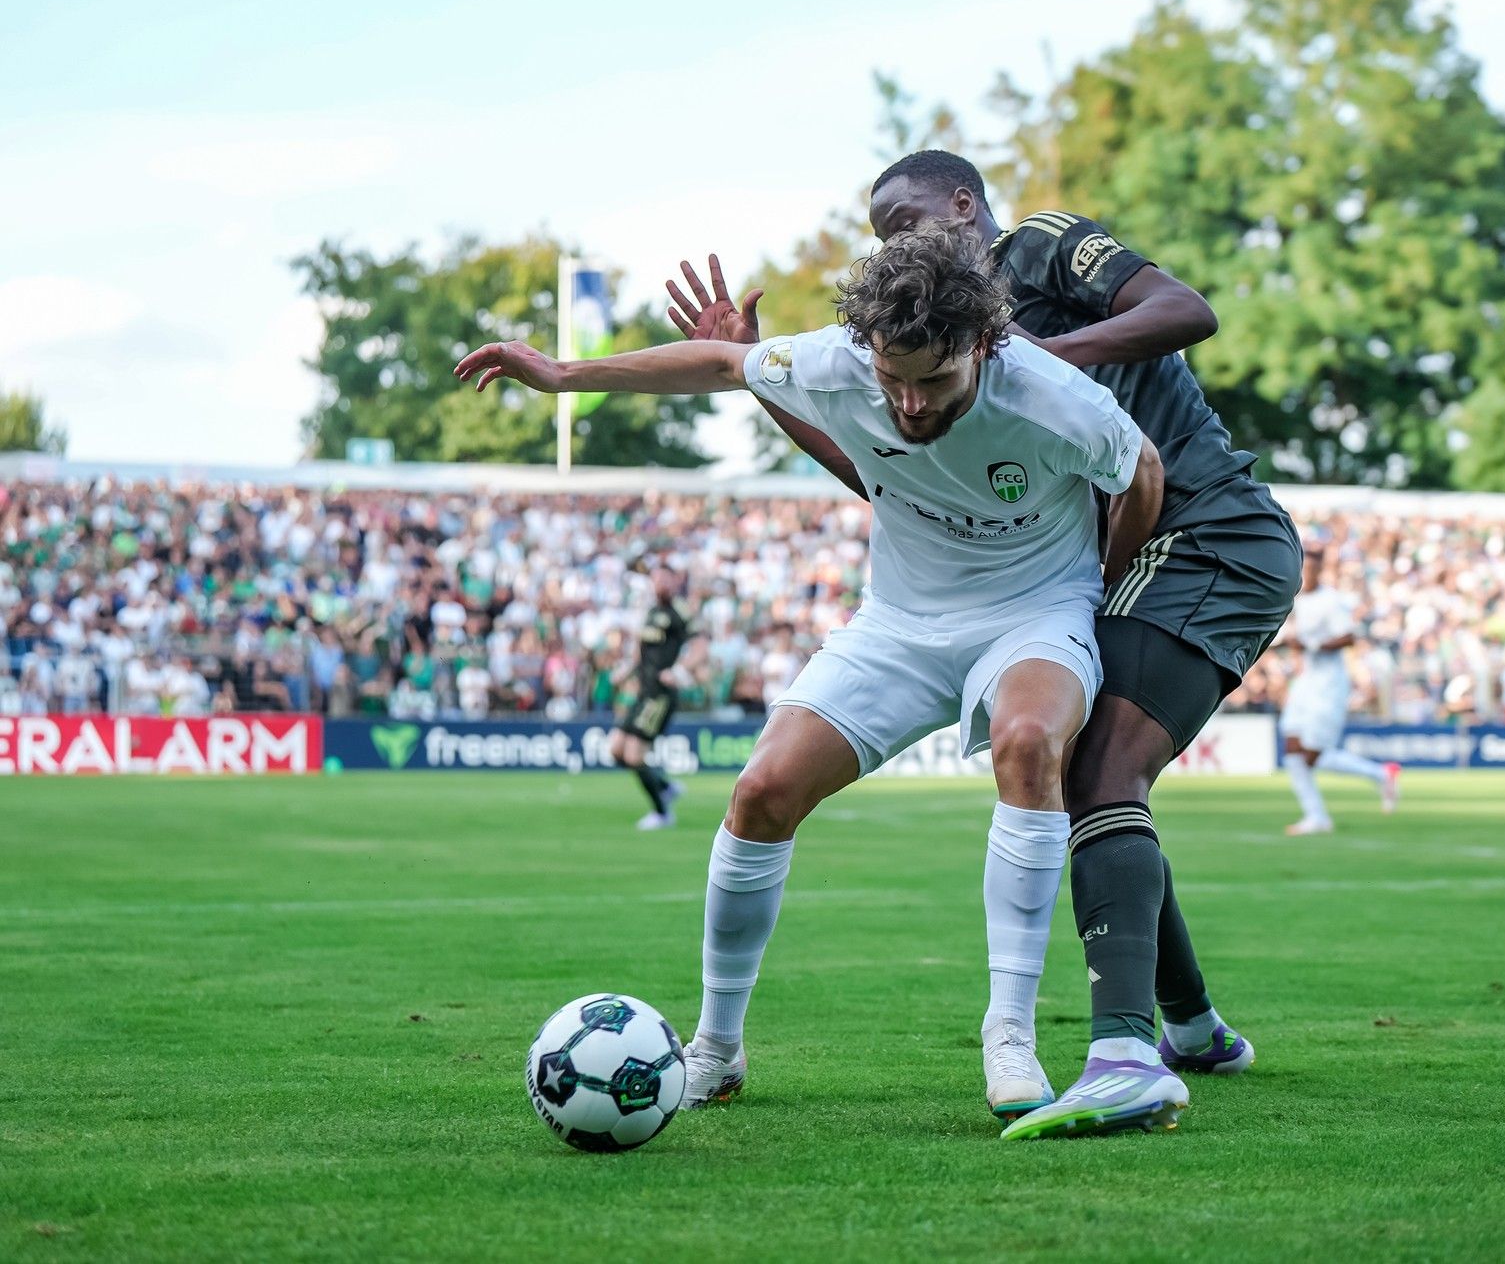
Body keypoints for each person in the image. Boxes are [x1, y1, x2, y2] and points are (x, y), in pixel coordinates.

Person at [458, 222, 1165, 1127]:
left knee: (1029, 744)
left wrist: (1099, 587)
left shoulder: (1053, 397)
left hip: (1034, 613)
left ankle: (1010, 1036)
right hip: (899, 624)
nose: (909, 403)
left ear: (985, 345)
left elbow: (1140, 468)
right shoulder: (833, 360)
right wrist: (561, 376)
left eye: (935, 380)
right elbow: (719, 364)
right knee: (760, 790)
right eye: (892, 378)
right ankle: (715, 1047)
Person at [666, 150, 1301, 1140]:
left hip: (1206, 529)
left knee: (1097, 774)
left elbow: (1185, 308)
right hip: (1126, 539)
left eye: (909, 216)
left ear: (965, 204)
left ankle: (1126, 1053)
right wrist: (774, 388)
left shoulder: (1040, 251)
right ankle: (1192, 1027)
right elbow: (900, 481)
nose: (898, 239)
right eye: (881, 233)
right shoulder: (931, 346)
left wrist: (1030, 359)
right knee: (1092, 771)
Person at [1279, 550, 1398, 835]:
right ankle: (1316, 816)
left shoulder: (1330, 601)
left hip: (1329, 684)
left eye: (1314, 569)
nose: (1308, 574)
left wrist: (1313, 646)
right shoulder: (1298, 600)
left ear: (1321, 571)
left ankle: (1382, 774)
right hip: (1307, 681)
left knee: (1313, 755)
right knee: (1292, 749)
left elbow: (1349, 637)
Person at [611, 567, 690, 831]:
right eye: (655, 579)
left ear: (674, 581)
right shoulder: (651, 612)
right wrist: (626, 670)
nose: (659, 584)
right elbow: (640, 650)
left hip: (660, 695)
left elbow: (701, 644)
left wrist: (680, 670)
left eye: (664, 579)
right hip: (643, 692)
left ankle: (662, 813)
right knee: (616, 750)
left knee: (634, 756)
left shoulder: (680, 612)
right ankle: (665, 785)